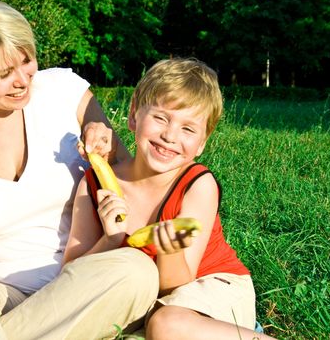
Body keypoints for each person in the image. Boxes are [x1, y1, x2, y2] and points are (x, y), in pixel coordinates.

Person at [0, 0, 158, 340]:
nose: (24, 80)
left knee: (137, 272)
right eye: (4, 73)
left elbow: (136, 191)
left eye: (27, 61)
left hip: (86, 281)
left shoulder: (63, 93)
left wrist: (112, 153)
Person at [64, 58, 277, 339]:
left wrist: (169, 248)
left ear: (202, 143)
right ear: (133, 116)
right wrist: (110, 241)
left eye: (188, 129)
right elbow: (70, 276)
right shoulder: (94, 185)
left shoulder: (197, 185)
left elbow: (177, 282)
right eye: (160, 118)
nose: (169, 135)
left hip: (209, 284)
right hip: (146, 301)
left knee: (167, 326)